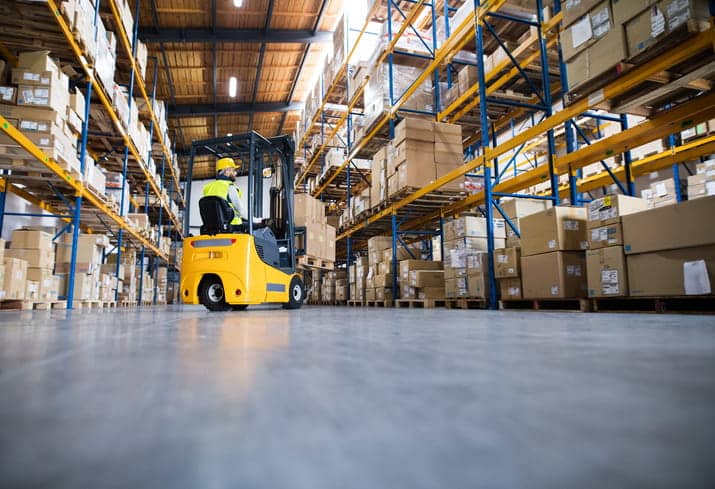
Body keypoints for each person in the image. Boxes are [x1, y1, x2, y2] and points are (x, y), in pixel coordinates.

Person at [202, 157, 249, 230]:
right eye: (233, 170)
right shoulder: (230, 187)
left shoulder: (207, 187)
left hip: (212, 227)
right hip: (233, 225)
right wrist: (256, 220)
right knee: (257, 227)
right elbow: (241, 211)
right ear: (227, 171)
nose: (235, 173)